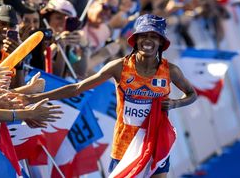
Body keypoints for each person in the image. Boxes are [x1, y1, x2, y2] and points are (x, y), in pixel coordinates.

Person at [21, 14, 197, 177]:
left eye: (154, 36)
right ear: (135, 40)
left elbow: (191, 94)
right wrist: (36, 97)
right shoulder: (119, 67)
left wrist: (175, 103)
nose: (148, 40)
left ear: (161, 41)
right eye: (143, 35)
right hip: (124, 146)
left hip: (156, 142)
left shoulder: (170, 71)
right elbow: (77, 88)